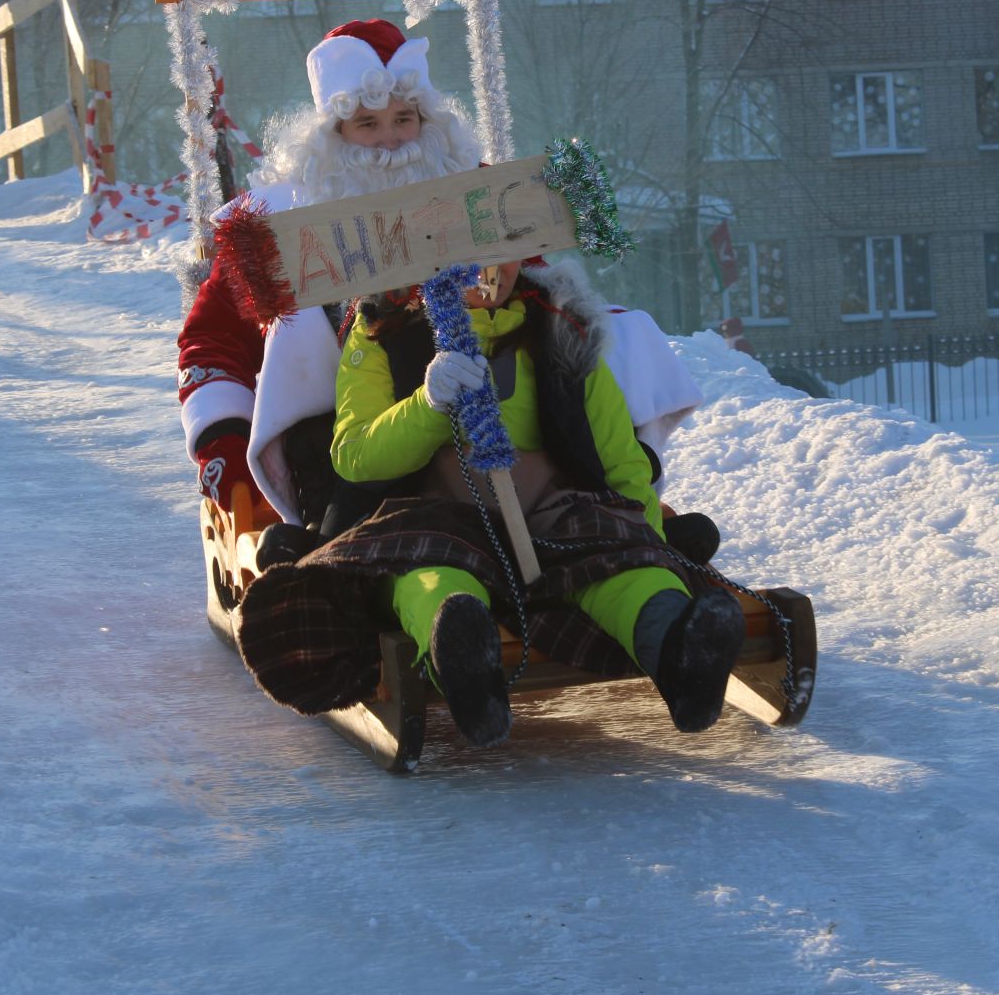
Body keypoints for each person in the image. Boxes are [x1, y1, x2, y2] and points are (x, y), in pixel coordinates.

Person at [175, 18, 702, 539]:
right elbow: (213, 340)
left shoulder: (477, 192)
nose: (391, 141)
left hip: (491, 393)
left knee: (598, 338)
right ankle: (331, 543)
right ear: (332, 134)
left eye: (404, 119)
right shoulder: (276, 224)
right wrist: (226, 449)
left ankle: (618, 508)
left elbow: (535, 289)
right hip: (359, 417)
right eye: (368, 125)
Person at [233, 256, 747, 748]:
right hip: (433, 513)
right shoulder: (381, 335)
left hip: (549, 511)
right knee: (426, 572)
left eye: (500, 254)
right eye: (469, 256)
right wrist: (428, 405)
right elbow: (356, 457)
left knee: (615, 557)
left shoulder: (557, 328)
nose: (489, 272)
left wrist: (645, 541)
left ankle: (680, 654)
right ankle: (464, 664)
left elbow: (618, 458)